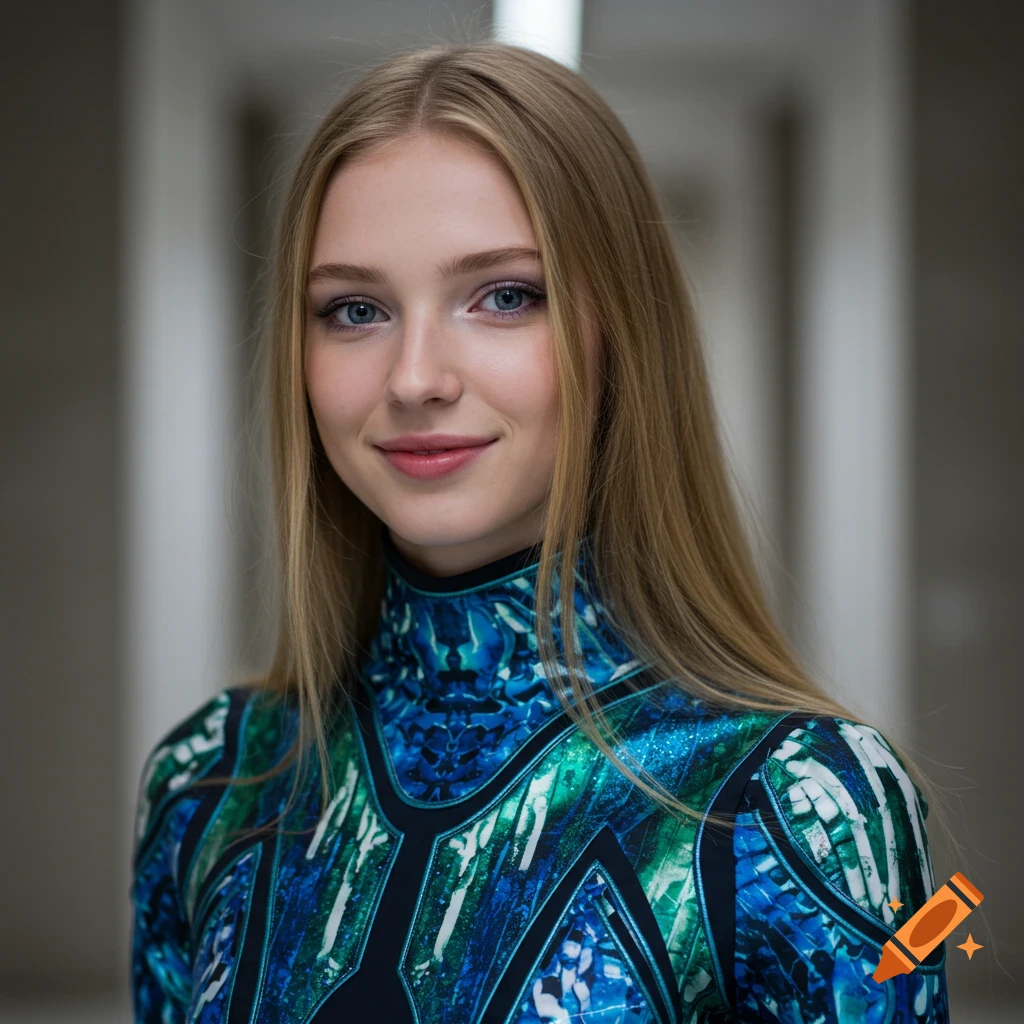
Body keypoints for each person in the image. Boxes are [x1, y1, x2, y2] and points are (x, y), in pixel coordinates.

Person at [130, 40, 952, 1023]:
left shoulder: (807, 803)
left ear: (621, 336)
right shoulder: (209, 779)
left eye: (505, 297)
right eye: (354, 309)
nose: (415, 378)